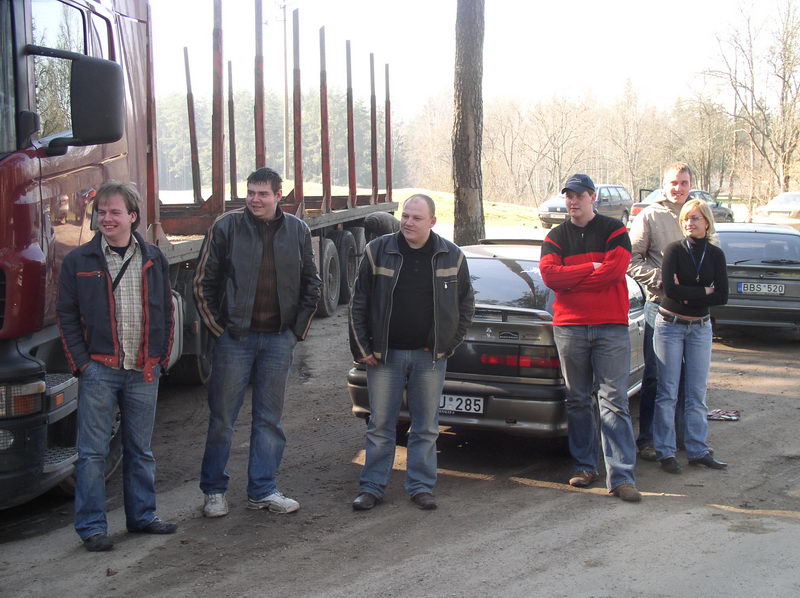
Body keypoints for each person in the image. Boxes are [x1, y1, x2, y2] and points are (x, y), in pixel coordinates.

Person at [194, 167, 321, 518]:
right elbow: (203, 282)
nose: (254, 199)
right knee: (223, 419)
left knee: (269, 420)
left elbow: (312, 283)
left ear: (279, 196)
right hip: (235, 340)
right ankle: (214, 492)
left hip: (278, 340)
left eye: (263, 193)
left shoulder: (297, 230)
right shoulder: (226, 227)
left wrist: (295, 333)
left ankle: (263, 490)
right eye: (250, 192)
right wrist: (220, 330)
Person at [57, 181, 176, 552]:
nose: (106, 219)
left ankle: (142, 516)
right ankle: (92, 528)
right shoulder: (78, 261)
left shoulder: (153, 257)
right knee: (92, 454)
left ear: (132, 216)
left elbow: (165, 311)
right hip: (99, 370)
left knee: (140, 450)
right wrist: (83, 365)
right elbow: (67, 316)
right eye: (101, 212)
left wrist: (160, 358)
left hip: (143, 370)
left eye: (114, 212)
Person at [348, 194, 474, 511]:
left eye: (416, 218)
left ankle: (420, 487)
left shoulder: (452, 256)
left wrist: (448, 344)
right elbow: (358, 302)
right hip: (384, 356)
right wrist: (363, 348)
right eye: (405, 216)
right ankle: (371, 487)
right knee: (380, 425)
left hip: (428, 358)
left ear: (432, 221)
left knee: (426, 427)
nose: (408, 222)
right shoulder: (378, 250)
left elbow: (465, 305)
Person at [540, 173, 641, 503]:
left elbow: (614, 272)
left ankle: (621, 477)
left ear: (592, 197)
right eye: (569, 196)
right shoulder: (556, 236)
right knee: (578, 400)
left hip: (610, 327)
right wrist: (590, 267)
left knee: (614, 400)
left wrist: (573, 278)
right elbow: (550, 277)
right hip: (570, 328)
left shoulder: (615, 231)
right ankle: (585, 466)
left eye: (579, 195)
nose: (573, 201)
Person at [653, 199, 729, 473]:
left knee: (697, 392)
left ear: (707, 222)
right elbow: (670, 292)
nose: (689, 223)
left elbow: (722, 295)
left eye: (695, 218)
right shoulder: (674, 250)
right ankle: (666, 452)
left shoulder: (715, 254)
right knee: (668, 392)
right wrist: (704, 291)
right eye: (685, 218)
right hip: (670, 326)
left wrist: (689, 294)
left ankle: (698, 450)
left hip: (700, 328)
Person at [628, 162, 693, 462]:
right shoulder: (651, 215)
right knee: (655, 376)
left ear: (691, 184)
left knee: (686, 376)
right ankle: (649, 440)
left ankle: (681, 436)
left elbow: (712, 250)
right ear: (663, 184)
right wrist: (662, 279)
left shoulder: (697, 212)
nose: (678, 188)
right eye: (673, 183)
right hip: (660, 305)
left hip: (694, 309)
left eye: (683, 182)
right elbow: (630, 259)